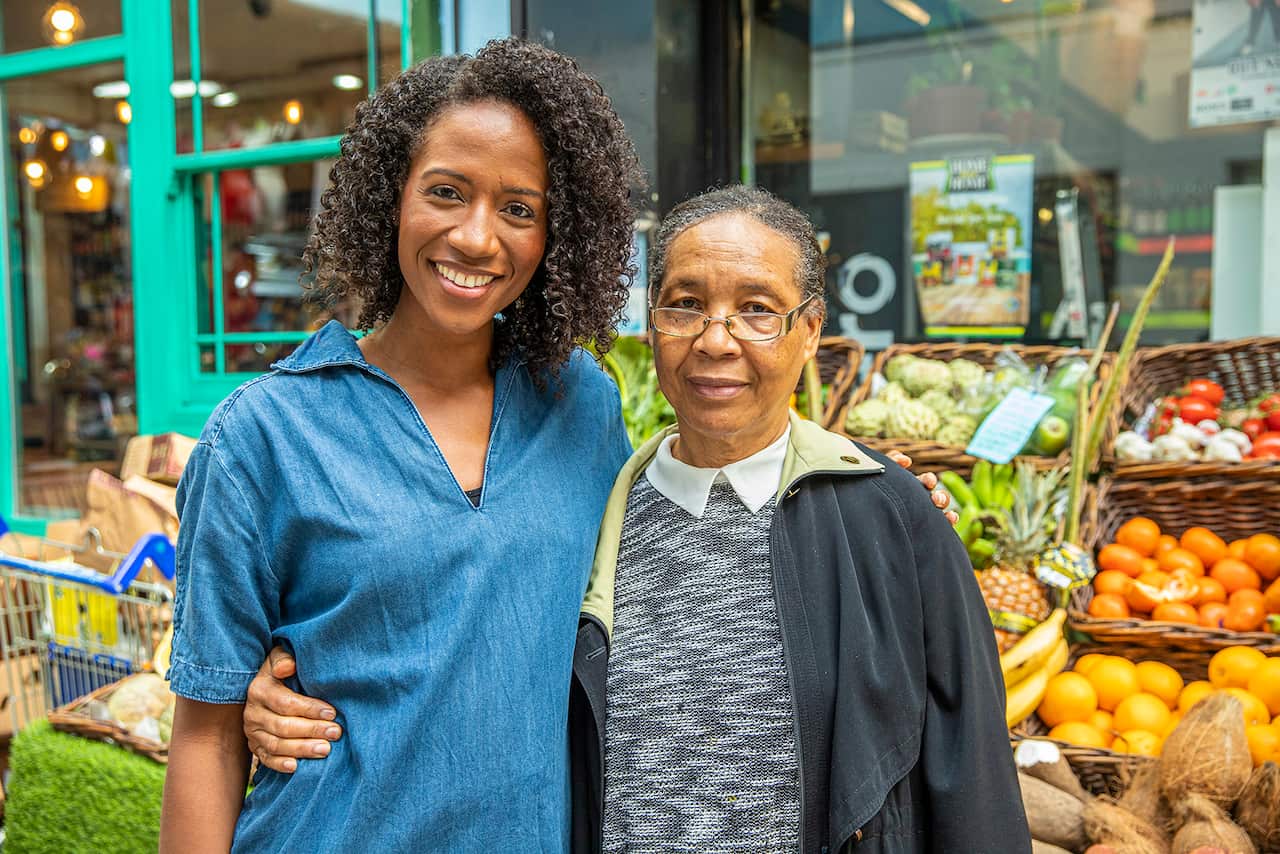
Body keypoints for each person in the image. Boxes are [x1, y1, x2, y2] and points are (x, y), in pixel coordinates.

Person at [243, 187, 1024, 853]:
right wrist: (278, 676)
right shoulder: (599, 502)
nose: (716, 341)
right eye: (686, 304)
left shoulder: (892, 522)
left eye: (758, 310)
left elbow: (973, 783)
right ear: (650, 323)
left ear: (811, 331)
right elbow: (466, 604)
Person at [161, 39, 642, 852]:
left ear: (556, 238)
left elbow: (656, 583)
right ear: (392, 197)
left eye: (519, 209)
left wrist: (865, 502)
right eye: (446, 193)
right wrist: (248, 700)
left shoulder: (582, 407)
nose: (477, 238)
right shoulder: (264, 436)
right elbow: (205, 735)